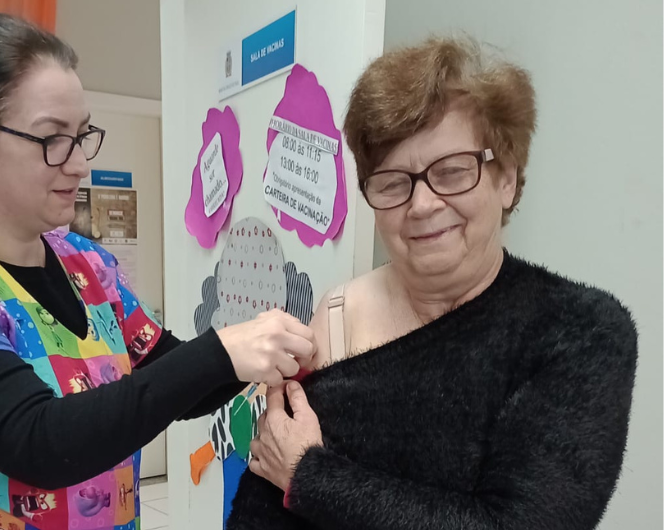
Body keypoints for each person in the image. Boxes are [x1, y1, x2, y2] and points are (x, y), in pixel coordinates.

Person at [0, 14, 315, 530]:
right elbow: (39, 442)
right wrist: (221, 351)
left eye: (82, 135)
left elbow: (173, 378)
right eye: (52, 139)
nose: (80, 163)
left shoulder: (85, 262)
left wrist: (278, 348)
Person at [227, 36, 638, 529]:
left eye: (452, 171)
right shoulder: (336, 316)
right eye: (392, 182)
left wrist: (310, 476)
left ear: (506, 178)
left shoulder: (578, 332)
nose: (422, 205)